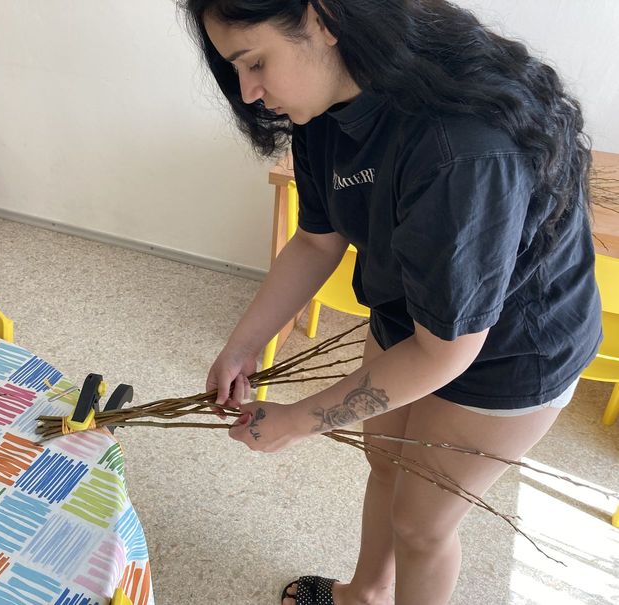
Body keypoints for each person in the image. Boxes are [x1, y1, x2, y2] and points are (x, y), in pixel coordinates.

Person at [180, 1, 602, 604]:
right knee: (383, 462)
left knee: (422, 525)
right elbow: (316, 240)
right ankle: (367, 593)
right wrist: (242, 345)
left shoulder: (461, 150)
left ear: (322, 19)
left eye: (255, 63)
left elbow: (445, 351)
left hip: (507, 350)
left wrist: (298, 420)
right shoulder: (326, 102)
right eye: (236, 69)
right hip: (414, 313)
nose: (248, 92)